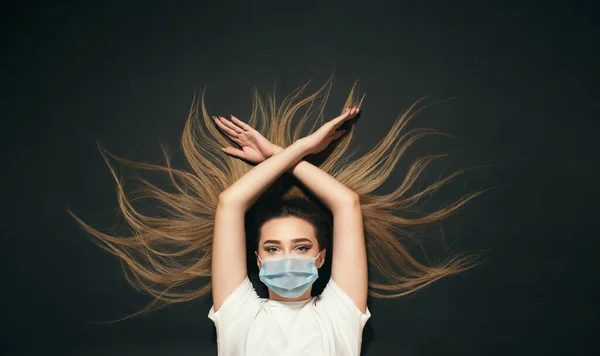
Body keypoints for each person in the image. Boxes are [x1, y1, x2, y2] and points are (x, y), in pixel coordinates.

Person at [71, 80, 484, 355]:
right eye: (273, 248)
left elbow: (346, 204)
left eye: (301, 247)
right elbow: (231, 204)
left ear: (322, 257)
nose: (287, 257)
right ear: (257, 259)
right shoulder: (239, 315)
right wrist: (300, 146)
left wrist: (276, 152)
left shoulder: (339, 315)